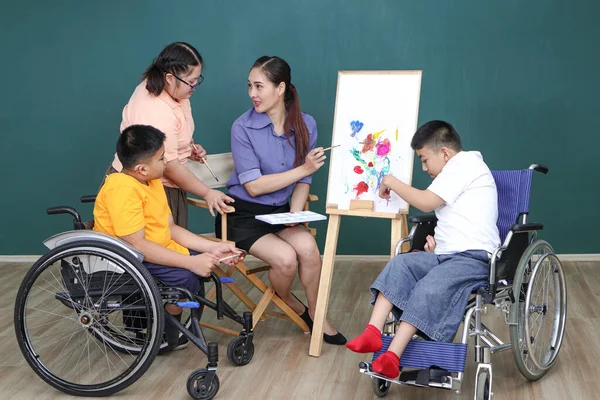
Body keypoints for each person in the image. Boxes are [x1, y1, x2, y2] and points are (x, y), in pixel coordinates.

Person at [345, 120, 500, 378]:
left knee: (430, 285)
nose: (424, 167)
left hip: (474, 259)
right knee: (401, 263)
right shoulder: (456, 171)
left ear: (445, 153)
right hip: (446, 255)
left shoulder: (465, 165)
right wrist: (441, 244)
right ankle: (372, 332)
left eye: (424, 159)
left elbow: (426, 203)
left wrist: (391, 181)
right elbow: (460, 217)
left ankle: (393, 355)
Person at [215, 56, 346, 345]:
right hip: (242, 216)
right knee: (286, 259)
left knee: (309, 249)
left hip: (280, 214)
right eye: (249, 86)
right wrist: (304, 168)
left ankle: (317, 311)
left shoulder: (306, 124)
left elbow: (303, 181)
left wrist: (294, 215)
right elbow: (254, 187)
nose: (252, 93)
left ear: (280, 88)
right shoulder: (242, 127)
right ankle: (290, 303)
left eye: (259, 86)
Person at [94, 124, 243, 350]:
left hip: (156, 248)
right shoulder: (121, 189)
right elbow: (137, 244)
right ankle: (165, 331)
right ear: (142, 168)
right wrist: (192, 262)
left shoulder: (151, 182)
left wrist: (213, 248)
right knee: (187, 278)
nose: (167, 163)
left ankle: (168, 327)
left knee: (205, 264)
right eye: (162, 159)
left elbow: (170, 228)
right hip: (129, 258)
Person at [106, 41, 232, 228]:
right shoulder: (155, 109)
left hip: (166, 184)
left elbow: (173, 138)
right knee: (159, 248)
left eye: (197, 79)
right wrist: (207, 193)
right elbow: (168, 165)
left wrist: (187, 149)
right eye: (190, 82)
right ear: (170, 78)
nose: (195, 85)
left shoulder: (177, 92)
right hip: (145, 187)